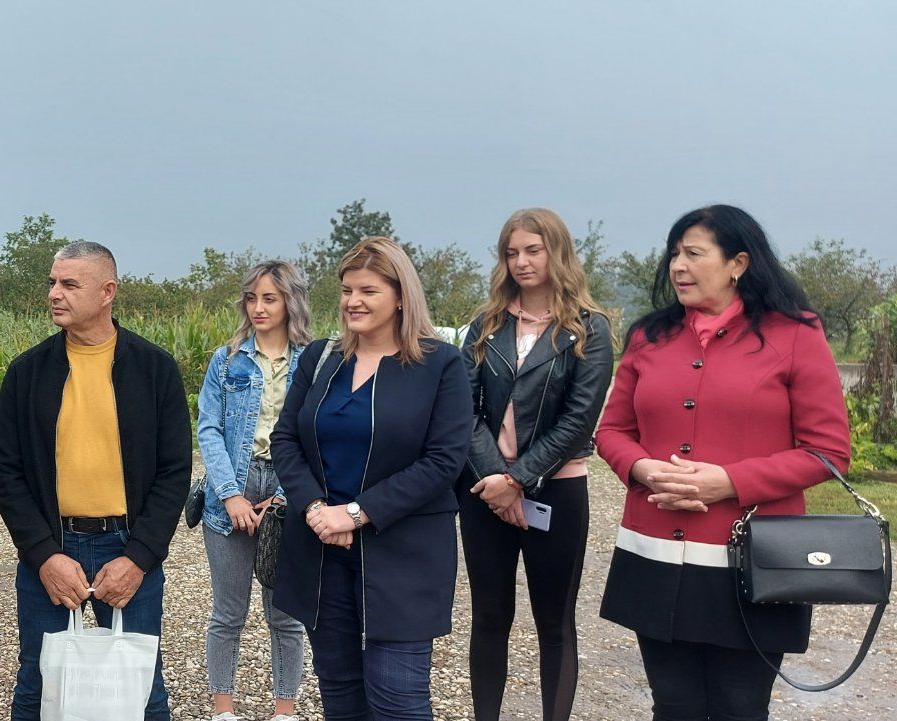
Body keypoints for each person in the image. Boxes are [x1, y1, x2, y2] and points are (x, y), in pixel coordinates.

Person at [596, 204, 851, 721]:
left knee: (741, 707)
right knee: (673, 705)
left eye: (693, 253)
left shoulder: (795, 334)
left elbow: (828, 451)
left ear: (738, 263)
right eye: (673, 254)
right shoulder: (649, 336)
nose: (678, 266)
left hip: (753, 562)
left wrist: (729, 482)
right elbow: (612, 432)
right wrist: (643, 470)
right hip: (655, 554)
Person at [270, 237, 470, 721]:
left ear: (401, 295)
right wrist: (317, 510)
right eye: (346, 290)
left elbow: (445, 460)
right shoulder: (321, 358)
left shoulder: (440, 364)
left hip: (403, 553)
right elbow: (284, 441)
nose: (352, 301)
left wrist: (357, 513)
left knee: (398, 700)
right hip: (322, 550)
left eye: (368, 290)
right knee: (340, 695)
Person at [0, 241, 193, 721]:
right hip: (52, 551)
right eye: (52, 283)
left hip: (126, 550)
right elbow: (8, 473)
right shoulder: (27, 372)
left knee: (141, 689)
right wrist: (42, 555)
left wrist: (139, 558)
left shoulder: (154, 369)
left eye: (69, 284)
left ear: (107, 292)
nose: (54, 294)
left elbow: (173, 473)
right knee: (37, 687)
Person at [459, 208, 613, 721]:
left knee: (555, 622)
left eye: (533, 250)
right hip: (484, 492)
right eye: (511, 252)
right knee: (489, 617)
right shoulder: (485, 326)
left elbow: (577, 421)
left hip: (557, 492)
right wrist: (496, 481)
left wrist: (520, 479)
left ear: (557, 252)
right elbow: (464, 411)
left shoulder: (590, 330)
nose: (521, 261)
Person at [196, 260, 313, 721]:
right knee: (227, 612)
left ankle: (284, 711)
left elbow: (314, 434)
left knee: (284, 614)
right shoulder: (226, 359)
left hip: (287, 489)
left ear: (290, 302)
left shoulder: (316, 360)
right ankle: (224, 710)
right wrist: (229, 494)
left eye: (270, 298)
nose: (259, 307)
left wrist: (285, 498)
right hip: (233, 486)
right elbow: (208, 429)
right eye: (252, 298)